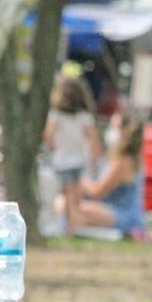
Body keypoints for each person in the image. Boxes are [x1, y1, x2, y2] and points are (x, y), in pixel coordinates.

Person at [62, 109, 147, 240]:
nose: (110, 131)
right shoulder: (111, 158)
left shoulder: (125, 162)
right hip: (106, 209)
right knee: (63, 203)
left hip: (124, 215)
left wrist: (76, 176)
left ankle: (71, 229)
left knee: (78, 209)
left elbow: (97, 191)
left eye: (114, 127)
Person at [43, 77, 102, 233]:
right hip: (80, 160)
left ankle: (72, 224)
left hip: (62, 160)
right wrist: (95, 159)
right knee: (75, 195)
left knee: (68, 194)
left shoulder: (56, 115)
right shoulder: (84, 117)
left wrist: (53, 147)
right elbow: (93, 139)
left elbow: (48, 135)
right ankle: (73, 224)